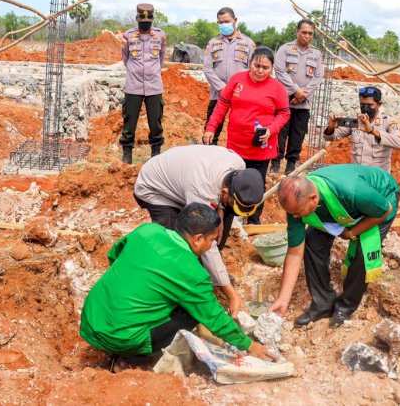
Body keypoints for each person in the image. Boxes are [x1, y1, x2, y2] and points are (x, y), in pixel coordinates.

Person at [80, 203, 275, 364]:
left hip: (91, 317)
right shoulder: (191, 272)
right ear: (198, 239)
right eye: (212, 240)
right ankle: (134, 360)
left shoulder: (147, 230)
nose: (212, 246)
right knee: (191, 312)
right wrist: (249, 345)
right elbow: (213, 317)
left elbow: (114, 254)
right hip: (120, 336)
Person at [134, 145, 266, 316]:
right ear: (225, 192)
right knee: (177, 244)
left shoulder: (238, 166)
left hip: (188, 181)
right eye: (232, 202)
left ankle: (206, 276)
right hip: (156, 188)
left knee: (218, 225)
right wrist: (232, 294)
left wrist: (220, 210)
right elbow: (204, 240)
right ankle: (172, 288)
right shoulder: (202, 188)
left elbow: (219, 212)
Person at [269, 164, 400, 328]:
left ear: (313, 199)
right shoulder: (296, 205)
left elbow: (385, 210)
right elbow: (295, 253)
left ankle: (345, 306)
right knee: (312, 242)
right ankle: (322, 304)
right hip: (342, 206)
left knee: (363, 252)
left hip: (381, 199)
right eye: (292, 213)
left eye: (298, 213)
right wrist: (283, 299)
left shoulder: (353, 191)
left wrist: (352, 232)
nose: (295, 217)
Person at [203, 47, 290, 224]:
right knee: (233, 181)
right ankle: (230, 220)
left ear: (271, 68)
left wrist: (270, 130)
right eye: (256, 65)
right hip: (236, 143)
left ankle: (253, 220)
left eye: (265, 68)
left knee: (256, 183)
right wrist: (211, 127)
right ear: (250, 63)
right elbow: (222, 105)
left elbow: (284, 114)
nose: (260, 70)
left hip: (261, 146)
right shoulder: (237, 80)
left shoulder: (277, 88)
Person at [272, 19, 325, 175]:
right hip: (284, 100)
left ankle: (291, 165)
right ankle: (275, 164)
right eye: (304, 32)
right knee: (280, 132)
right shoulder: (285, 49)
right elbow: (279, 71)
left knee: (298, 134)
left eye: (310, 33)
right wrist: (295, 90)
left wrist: (303, 94)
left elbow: (318, 76)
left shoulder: (316, 54)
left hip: (304, 103)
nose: (307, 36)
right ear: (297, 32)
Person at [120, 3, 167, 164]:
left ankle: (156, 153)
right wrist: (136, 71)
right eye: (142, 20)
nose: (145, 23)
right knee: (129, 120)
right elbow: (126, 58)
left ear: (152, 19)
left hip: (154, 86)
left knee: (155, 122)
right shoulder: (128, 36)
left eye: (148, 20)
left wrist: (151, 72)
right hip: (133, 86)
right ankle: (127, 154)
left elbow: (161, 58)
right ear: (137, 19)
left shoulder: (160, 36)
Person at [202, 7, 256, 145]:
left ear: (235, 20)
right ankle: (209, 157)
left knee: (242, 129)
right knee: (211, 129)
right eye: (220, 22)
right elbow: (207, 68)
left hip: (241, 95)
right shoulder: (213, 43)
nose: (224, 25)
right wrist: (221, 88)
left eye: (227, 21)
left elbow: (253, 69)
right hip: (218, 94)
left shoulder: (248, 43)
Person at [323, 86, 400, 172]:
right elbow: (331, 137)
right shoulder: (356, 121)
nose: (365, 108)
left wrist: (372, 131)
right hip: (358, 175)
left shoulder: (388, 123)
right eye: (362, 105)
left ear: (379, 105)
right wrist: (330, 128)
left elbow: (399, 143)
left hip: (377, 177)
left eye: (369, 105)